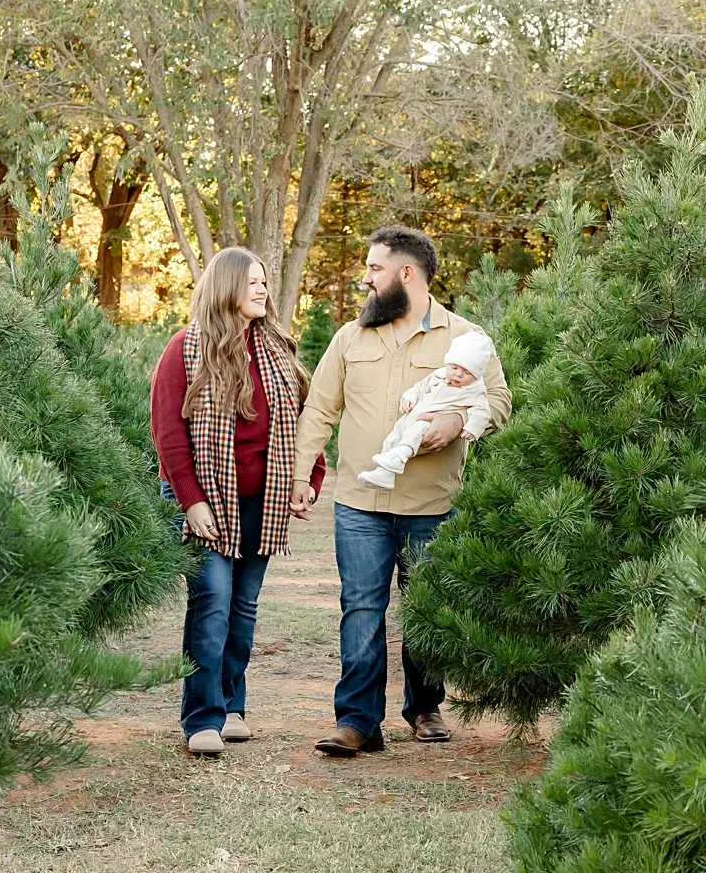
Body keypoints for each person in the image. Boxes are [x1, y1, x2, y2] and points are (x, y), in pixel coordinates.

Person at [290, 226, 512, 757]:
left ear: (406, 274)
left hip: (432, 502)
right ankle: (358, 721)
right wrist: (302, 475)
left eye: (374, 268)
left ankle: (425, 707)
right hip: (359, 504)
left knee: (427, 607)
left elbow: (500, 401)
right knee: (361, 607)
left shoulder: (465, 338)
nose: (365, 278)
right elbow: (321, 409)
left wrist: (457, 425)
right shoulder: (351, 337)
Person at [151, 247, 326, 757]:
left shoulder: (277, 350)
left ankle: (231, 706)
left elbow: (303, 423)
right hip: (204, 499)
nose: (261, 290)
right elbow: (167, 434)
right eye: (251, 281)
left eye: (265, 282)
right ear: (225, 286)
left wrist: (309, 478)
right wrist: (190, 501)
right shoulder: (185, 349)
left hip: (261, 502)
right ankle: (201, 717)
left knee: (243, 607)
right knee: (212, 600)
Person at [356, 330, 496, 490]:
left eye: (467, 372)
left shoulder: (475, 390)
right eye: (454, 367)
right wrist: (408, 399)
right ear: (448, 363)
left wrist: (472, 427)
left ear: (477, 375)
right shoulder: (439, 375)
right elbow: (419, 388)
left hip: (430, 423)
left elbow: (482, 411)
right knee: (392, 438)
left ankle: (401, 455)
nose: (458, 374)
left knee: (415, 432)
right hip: (411, 417)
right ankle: (384, 474)